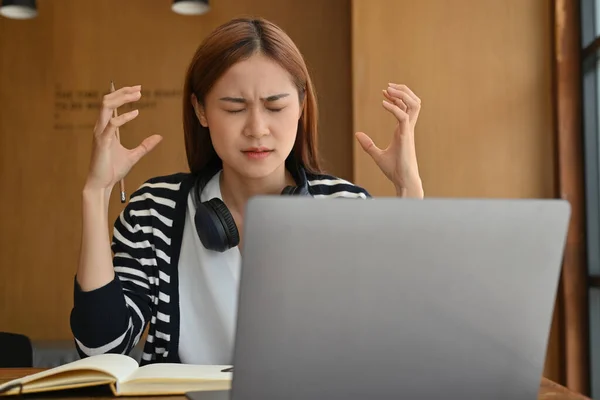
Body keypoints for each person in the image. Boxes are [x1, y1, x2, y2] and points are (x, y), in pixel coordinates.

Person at [69, 17, 424, 366]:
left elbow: (398, 344)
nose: (257, 128)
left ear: (301, 106)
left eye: (275, 106)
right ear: (200, 110)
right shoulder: (154, 211)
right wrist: (96, 193)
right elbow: (102, 350)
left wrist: (409, 190)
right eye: (234, 108)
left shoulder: (344, 209)